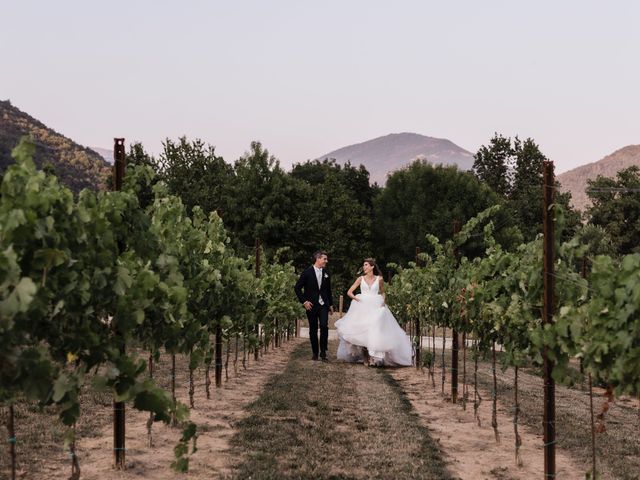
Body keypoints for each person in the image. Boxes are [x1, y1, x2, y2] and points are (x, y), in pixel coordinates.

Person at [335, 258, 412, 367]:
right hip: (362, 306)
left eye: (366, 265)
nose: (364, 267)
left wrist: (383, 302)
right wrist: (357, 299)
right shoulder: (360, 279)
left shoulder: (379, 279)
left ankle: (373, 357)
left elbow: (383, 292)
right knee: (362, 331)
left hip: (375, 305)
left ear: (372, 267)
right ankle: (365, 356)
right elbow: (349, 292)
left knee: (374, 329)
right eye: (363, 265)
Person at [294, 251, 334, 361]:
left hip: (323, 305)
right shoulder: (307, 272)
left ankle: (323, 352)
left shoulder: (326, 273)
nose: (326, 261)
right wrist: (304, 302)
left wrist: (330, 304)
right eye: (324, 259)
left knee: (324, 326)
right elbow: (297, 288)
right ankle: (315, 352)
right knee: (313, 329)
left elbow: (328, 290)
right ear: (318, 259)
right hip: (311, 305)